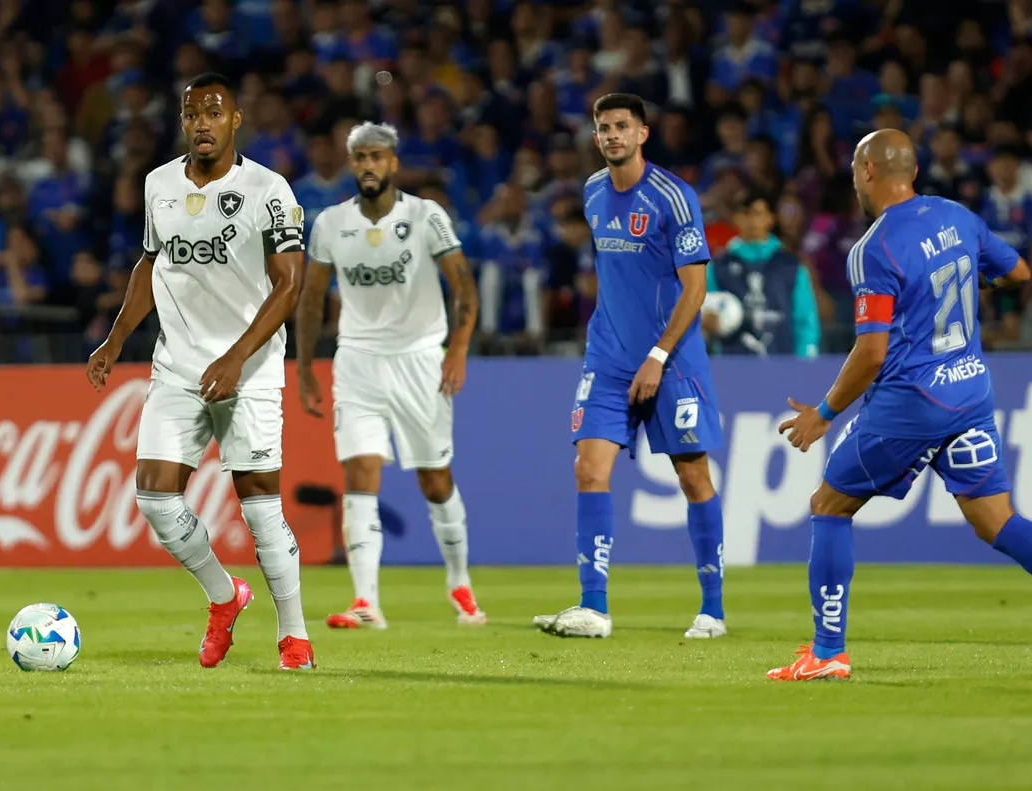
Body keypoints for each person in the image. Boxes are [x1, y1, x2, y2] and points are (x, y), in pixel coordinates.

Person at [768, 129, 1032, 682]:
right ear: (911, 171)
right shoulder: (955, 216)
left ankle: (826, 653)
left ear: (868, 172)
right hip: (969, 393)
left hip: (910, 403)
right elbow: (1018, 273)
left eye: (852, 168)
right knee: (996, 519)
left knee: (829, 505)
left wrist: (823, 412)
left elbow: (872, 352)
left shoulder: (875, 248)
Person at [85, 73, 314, 671]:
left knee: (260, 507)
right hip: (179, 365)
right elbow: (150, 262)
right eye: (192, 115)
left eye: (214, 113)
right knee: (155, 499)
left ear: (237, 119)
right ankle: (224, 596)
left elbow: (291, 284)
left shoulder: (270, 190)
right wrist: (114, 341)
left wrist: (238, 356)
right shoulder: (158, 183)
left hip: (252, 368)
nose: (202, 124)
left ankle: (294, 637)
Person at [534, 93, 725, 640]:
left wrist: (659, 356)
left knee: (693, 478)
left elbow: (696, 288)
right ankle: (593, 609)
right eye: (603, 128)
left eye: (622, 126)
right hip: (609, 359)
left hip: (673, 362)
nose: (612, 135)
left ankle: (711, 611)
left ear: (643, 133)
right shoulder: (593, 192)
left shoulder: (674, 196)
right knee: (588, 470)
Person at [296, 121, 487, 630]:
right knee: (359, 472)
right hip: (357, 360)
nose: (367, 166)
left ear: (393, 163)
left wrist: (458, 350)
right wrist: (306, 368)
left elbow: (465, 288)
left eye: (376, 157)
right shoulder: (330, 224)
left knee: (434, 479)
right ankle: (366, 602)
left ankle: (460, 582)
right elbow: (312, 297)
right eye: (359, 158)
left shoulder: (427, 217)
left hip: (421, 359)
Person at [703, 186, 820, 357]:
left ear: (770, 218)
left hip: (784, 366)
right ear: (736, 218)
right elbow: (703, 310)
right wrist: (705, 320)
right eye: (745, 213)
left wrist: (806, 359)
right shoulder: (717, 267)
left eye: (757, 213)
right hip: (730, 366)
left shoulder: (791, 266)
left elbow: (805, 319)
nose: (751, 221)